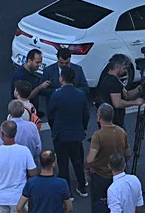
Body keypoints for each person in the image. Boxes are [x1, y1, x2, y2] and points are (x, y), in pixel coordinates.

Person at [48, 66, 90, 197]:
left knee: (63, 163)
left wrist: (54, 127)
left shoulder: (57, 95)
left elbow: (50, 114)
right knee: (77, 161)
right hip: (76, 134)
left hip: (61, 134)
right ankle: (82, 187)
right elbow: (86, 114)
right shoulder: (80, 94)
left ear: (61, 78)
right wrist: (83, 127)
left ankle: (68, 194)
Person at [0, 120, 38, 213]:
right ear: (15, 133)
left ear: (1, 134)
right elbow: (33, 172)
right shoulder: (24, 151)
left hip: (0, 198)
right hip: (18, 198)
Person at [85, 104, 132, 207]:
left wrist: (88, 169)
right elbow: (128, 153)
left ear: (100, 116)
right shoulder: (121, 132)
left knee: (99, 205)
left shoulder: (98, 135)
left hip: (101, 176)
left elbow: (90, 159)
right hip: (118, 174)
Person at [96, 54, 144, 129]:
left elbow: (126, 95)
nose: (125, 71)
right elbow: (117, 103)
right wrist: (135, 103)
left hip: (110, 121)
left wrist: (140, 88)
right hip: (113, 123)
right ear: (117, 67)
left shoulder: (109, 77)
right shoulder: (113, 82)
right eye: (124, 68)